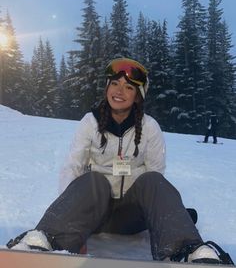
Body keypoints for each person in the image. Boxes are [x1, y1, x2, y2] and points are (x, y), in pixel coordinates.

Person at [6, 58, 229, 264]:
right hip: (94, 213)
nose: (119, 91)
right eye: (114, 84)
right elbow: (72, 168)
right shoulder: (89, 122)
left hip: (133, 216)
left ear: (138, 96)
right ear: (107, 88)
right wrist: (70, 217)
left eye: (129, 87)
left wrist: (164, 217)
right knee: (94, 180)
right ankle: (47, 240)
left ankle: (185, 250)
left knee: (153, 180)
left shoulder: (150, 127)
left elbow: (156, 179)